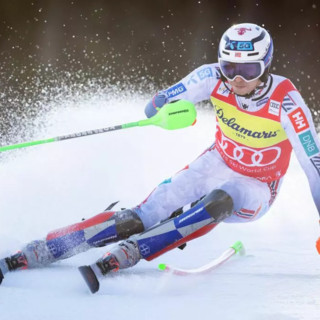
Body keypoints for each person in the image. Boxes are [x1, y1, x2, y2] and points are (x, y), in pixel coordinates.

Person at [1, 23, 320, 290]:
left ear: (266, 65)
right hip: (217, 162)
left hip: (258, 187)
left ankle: (131, 252)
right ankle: (41, 249)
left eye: (248, 69)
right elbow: (162, 99)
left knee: (221, 199)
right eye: (229, 67)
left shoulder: (288, 103)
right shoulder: (211, 77)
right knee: (143, 214)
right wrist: (161, 108)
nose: (237, 78)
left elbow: (314, 165)